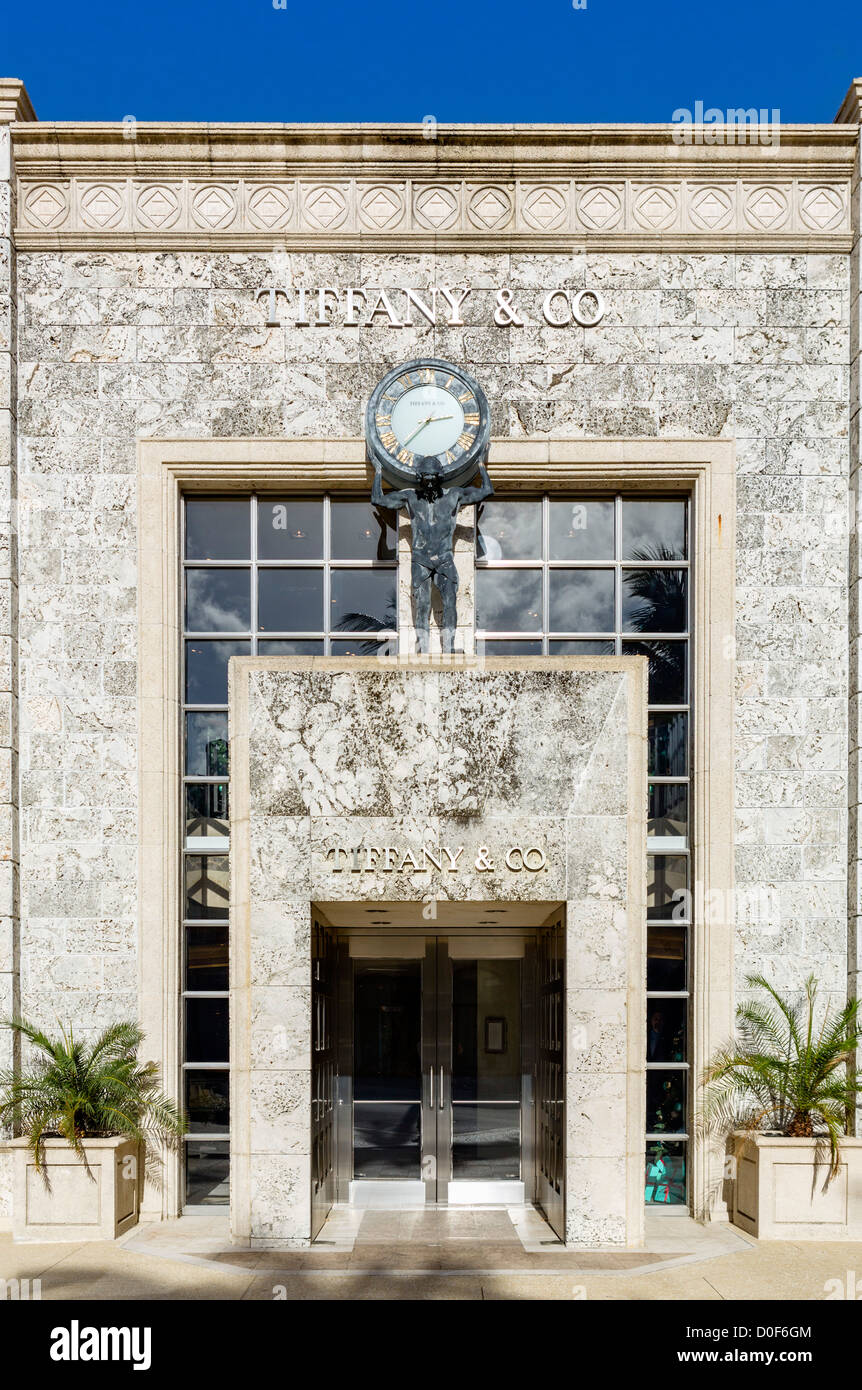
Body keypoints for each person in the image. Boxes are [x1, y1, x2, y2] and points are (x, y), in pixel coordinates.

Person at [371, 454, 493, 653]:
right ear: (420, 478)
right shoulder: (411, 497)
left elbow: (487, 491)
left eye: (432, 480)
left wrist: (480, 464)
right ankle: (423, 649)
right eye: (425, 480)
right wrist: (378, 471)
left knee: (450, 603)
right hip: (420, 559)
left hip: (444, 558)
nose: (428, 485)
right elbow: (377, 499)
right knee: (422, 606)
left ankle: (450, 648)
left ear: (439, 478)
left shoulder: (454, 495)